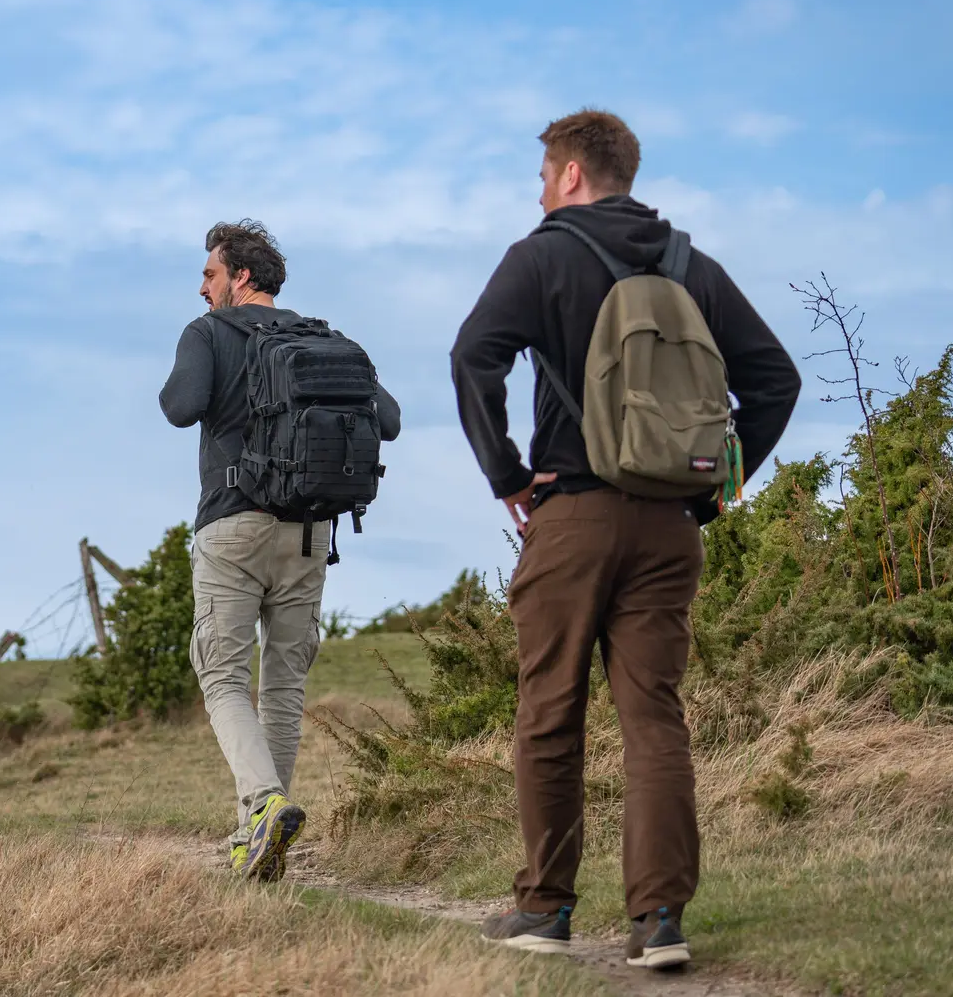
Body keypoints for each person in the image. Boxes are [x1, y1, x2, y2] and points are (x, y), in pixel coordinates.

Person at [451, 110, 800, 968]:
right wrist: (718, 490)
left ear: (570, 174)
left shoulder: (540, 255)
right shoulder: (691, 266)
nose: (539, 192)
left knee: (549, 713)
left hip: (570, 514)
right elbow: (776, 380)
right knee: (655, 720)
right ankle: (660, 923)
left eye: (542, 175)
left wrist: (505, 475)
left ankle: (544, 909)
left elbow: (473, 357)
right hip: (670, 526)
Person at [160, 219, 402, 881]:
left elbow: (179, 407)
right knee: (286, 683)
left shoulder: (207, 333)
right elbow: (391, 419)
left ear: (241, 276)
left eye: (209, 274)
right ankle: (260, 837)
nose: (202, 287)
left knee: (222, 675)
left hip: (233, 526)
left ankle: (263, 807)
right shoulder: (326, 338)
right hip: (309, 533)